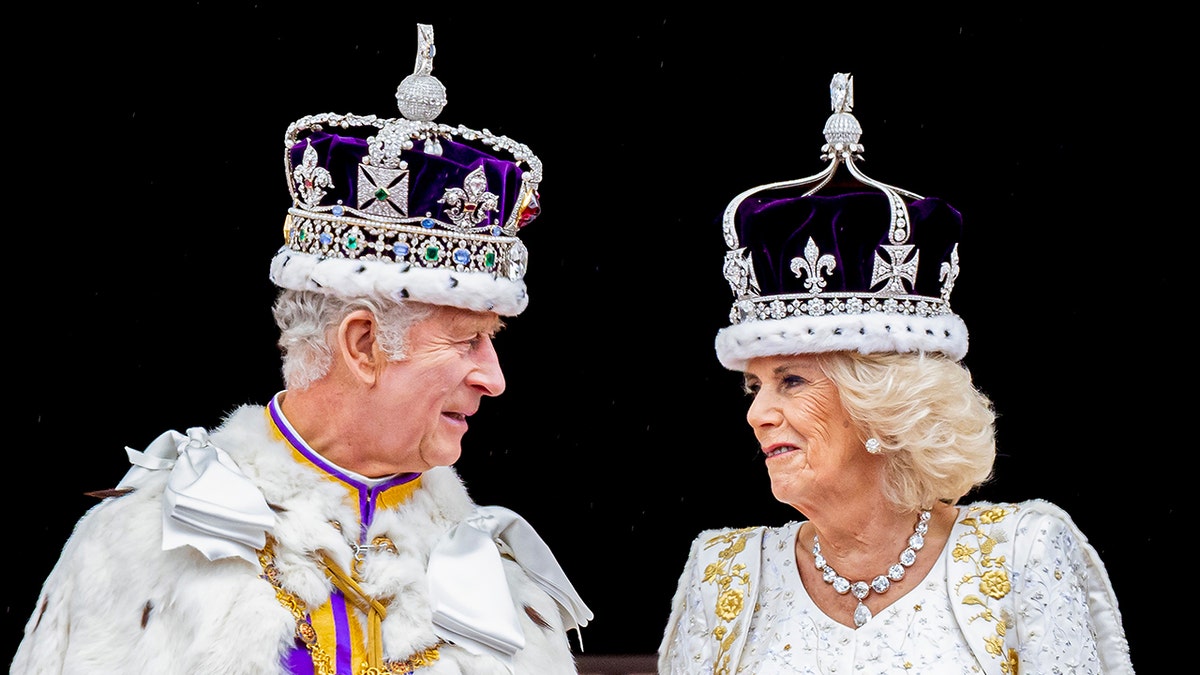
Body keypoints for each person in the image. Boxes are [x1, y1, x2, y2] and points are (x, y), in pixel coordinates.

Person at [12, 24, 591, 675]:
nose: (493, 376)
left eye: (492, 340)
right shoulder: (141, 544)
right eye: (467, 341)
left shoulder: (497, 575)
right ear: (364, 344)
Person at [657, 73, 1133, 674]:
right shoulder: (721, 572)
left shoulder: (1020, 553)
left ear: (886, 403)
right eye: (755, 386)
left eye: (792, 380)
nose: (757, 412)